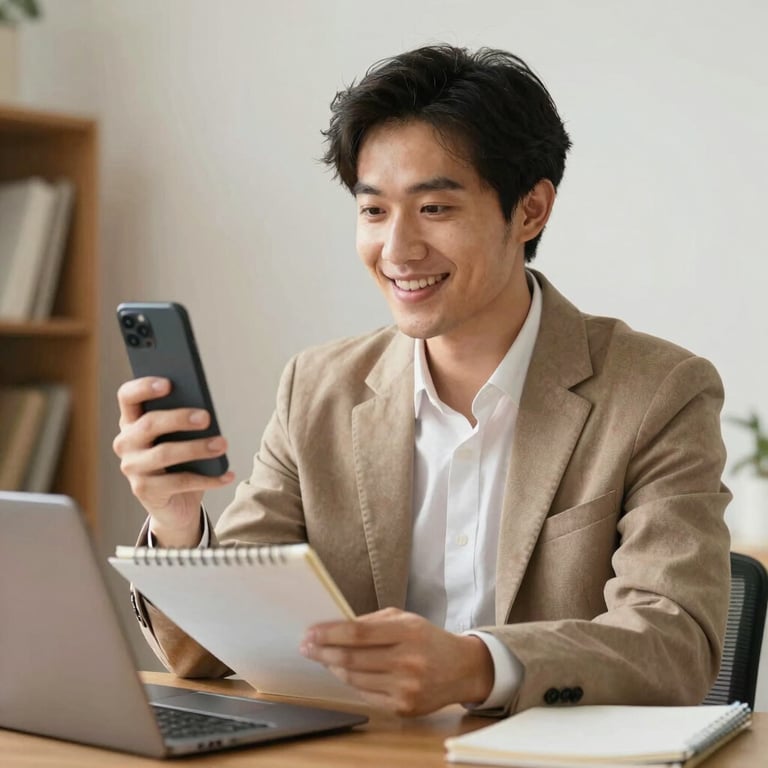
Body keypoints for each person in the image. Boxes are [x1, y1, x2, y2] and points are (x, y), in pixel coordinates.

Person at [113, 45, 731, 717]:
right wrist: (176, 523)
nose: (398, 250)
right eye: (374, 211)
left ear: (530, 211)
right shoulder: (318, 388)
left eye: (434, 208)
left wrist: (477, 666)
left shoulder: (658, 391)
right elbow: (209, 653)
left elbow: (674, 644)